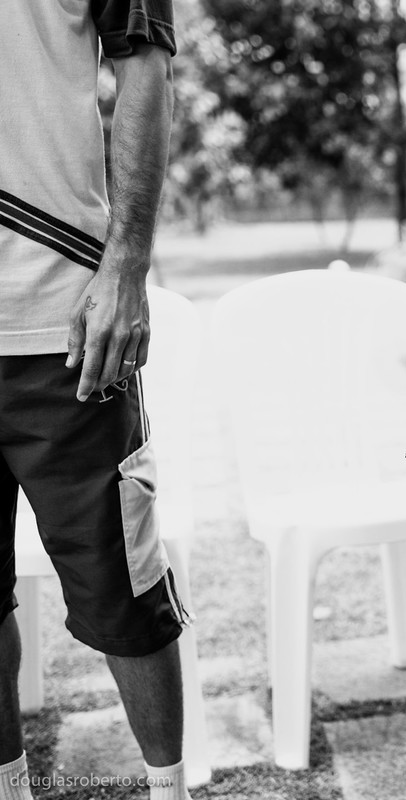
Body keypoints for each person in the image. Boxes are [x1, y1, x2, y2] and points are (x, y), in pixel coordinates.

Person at [0, 3, 191, 800]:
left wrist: (127, 266)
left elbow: (146, 64)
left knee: (127, 593)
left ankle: (170, 790)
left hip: (63, 325)